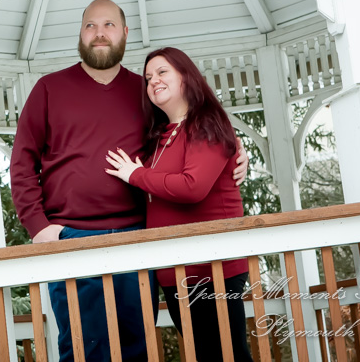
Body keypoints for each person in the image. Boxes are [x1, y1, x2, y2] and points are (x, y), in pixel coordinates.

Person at [10, 0, 248, 362]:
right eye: (91, 25)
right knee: (81, 349)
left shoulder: (144, 92)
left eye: (109, 25)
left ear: (123, 33)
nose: (100, 33)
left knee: (137, 347)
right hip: (72, 237)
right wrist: (38, 227)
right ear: (80, 33)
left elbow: (184, 129)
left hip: (139, 238)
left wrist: (236, 148)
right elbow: (22, 161)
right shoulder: (49, 88)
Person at [105, 46, 253, 362]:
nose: (153, 81)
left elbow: (193, 187)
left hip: (212, 268)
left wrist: (136, 174)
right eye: (147, 78)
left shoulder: (207, 123)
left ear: (185, 76)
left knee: (228, 356)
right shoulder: (160, 136)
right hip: (174, 271)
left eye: (162, 72)